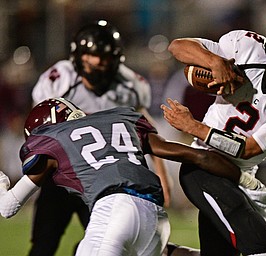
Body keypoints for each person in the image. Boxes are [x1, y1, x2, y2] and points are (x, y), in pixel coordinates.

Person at [0, 97, 260, 255]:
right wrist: (247, 180)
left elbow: (8, 207)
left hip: (113, 211)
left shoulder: (52, 141)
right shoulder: (119, 120)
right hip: (156, 221)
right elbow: (199, 156)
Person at [161, 6, 266, 256]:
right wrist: (214, 61)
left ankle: (155, 251)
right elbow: (177, 46)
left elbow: (248, 149)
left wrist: (195, 127)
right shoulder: (245, 47)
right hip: (203, 165)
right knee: (259, 245)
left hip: (240, 175)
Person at [29, 20, 171, 255]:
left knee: (104, 243)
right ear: (79, 57)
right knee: (44, 244)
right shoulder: (60, 79)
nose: (100, 64)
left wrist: (164, 178)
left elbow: (147, 132)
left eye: (105, 57)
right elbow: (39, 131)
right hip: (60, 179)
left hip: (104, 181)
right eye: (93, 56)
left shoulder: (130, 86)